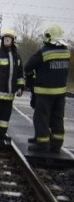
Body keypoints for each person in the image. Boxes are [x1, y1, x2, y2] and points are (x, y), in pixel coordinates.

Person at [25, 25, 71, 153]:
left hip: (44, 92)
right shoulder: (67, 52)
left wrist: (30, 79)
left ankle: (42, 144)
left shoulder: (44, 52)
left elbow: (28, 66)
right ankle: (56, 145)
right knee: (57, 118)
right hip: (61, 93)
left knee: (42, 118)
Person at [0, 30, 24, 143]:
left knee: (4, 118)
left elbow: (20, 74)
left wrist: (21, 87)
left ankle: (1, 135)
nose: (7, 40)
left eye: (9, 38)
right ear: (2, 40)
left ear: (13, 41)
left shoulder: (17, 57)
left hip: (9, 95)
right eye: (5, 38)